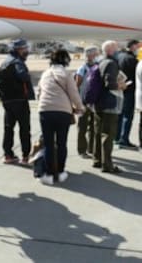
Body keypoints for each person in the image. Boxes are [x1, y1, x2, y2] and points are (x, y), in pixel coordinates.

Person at [36, 49, 85, 185]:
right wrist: (80, 107)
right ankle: (61, 172)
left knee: (48, 143)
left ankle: (49, 174)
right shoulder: (66, 74)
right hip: (63, 112)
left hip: (45, 110)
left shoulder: (45, 74)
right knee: (61, 143)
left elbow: (39, 93)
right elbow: (73, 93)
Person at [0, 39, 35, 164]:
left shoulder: (5, 62)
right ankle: (26, 156)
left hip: (7, 101)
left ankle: (8, 154)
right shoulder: (17, 62)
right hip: (19, 100)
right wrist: (27, 76)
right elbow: (22, 75)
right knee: (24, 128)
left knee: (8, 128)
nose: (26, 51)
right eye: (25, 48)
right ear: (19, 49)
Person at [93, 40, 125, 174]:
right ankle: (107, 164)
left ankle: (97, 159)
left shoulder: (100, 62)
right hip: (109, 103)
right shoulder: (111, 63)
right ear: (111, 50)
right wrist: (121, 86)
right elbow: (110, 84)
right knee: (108, 134)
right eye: (116, 48)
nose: (118, 51)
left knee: (98, 132)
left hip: (99, 102)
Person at [75, 46, 99, 158]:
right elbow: (77, 84)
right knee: (82, 126)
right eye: (95, 54)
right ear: (89, 55)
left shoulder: (97, 66)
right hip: (83, 101)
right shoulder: (82, 68)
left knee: (94, 127)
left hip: (93, 101)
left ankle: (91, 148)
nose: (96, 56)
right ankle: (81, 150)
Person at [115, 39, 139, 148]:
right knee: (128, 115)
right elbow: (137, 76)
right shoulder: (132, 59)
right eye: (137, 46)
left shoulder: (119, 56)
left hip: (119, 88)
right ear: (133, 47)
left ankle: (116, 136)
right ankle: (124, 138)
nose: (138, 49)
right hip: (129, 89)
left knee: (119, 114)